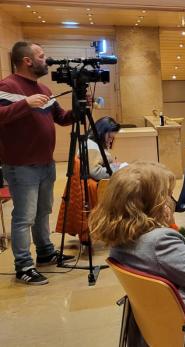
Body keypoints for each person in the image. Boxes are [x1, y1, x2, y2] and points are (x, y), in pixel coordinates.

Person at [89, 161, 185, 346]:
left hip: (164, 326)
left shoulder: (122, 239)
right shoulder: (160, 242)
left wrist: (172, 226)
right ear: (151, 202)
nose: (170, 200)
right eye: (166, 194)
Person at [0, 41, 75, 285]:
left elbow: (61, 118)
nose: (47, 59)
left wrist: (80, 109)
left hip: (46, 162)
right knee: (24, 217)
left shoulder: (44, 88)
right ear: (27, 61)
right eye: (42, 56)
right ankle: (23, 266)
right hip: (21, 164)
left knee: (44, 212)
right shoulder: (7, 86)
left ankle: (45, 252)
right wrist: (25, 103)